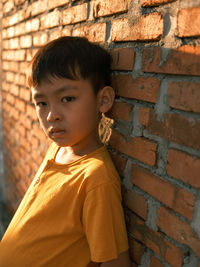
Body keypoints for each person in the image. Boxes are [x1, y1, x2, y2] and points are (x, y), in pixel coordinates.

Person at [0, 36, 130, 267]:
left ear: (103, 100)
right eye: (42, 103)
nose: (51, 116)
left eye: (67, 98)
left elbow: (114, 262)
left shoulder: (96, 178)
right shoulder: (59, 148)